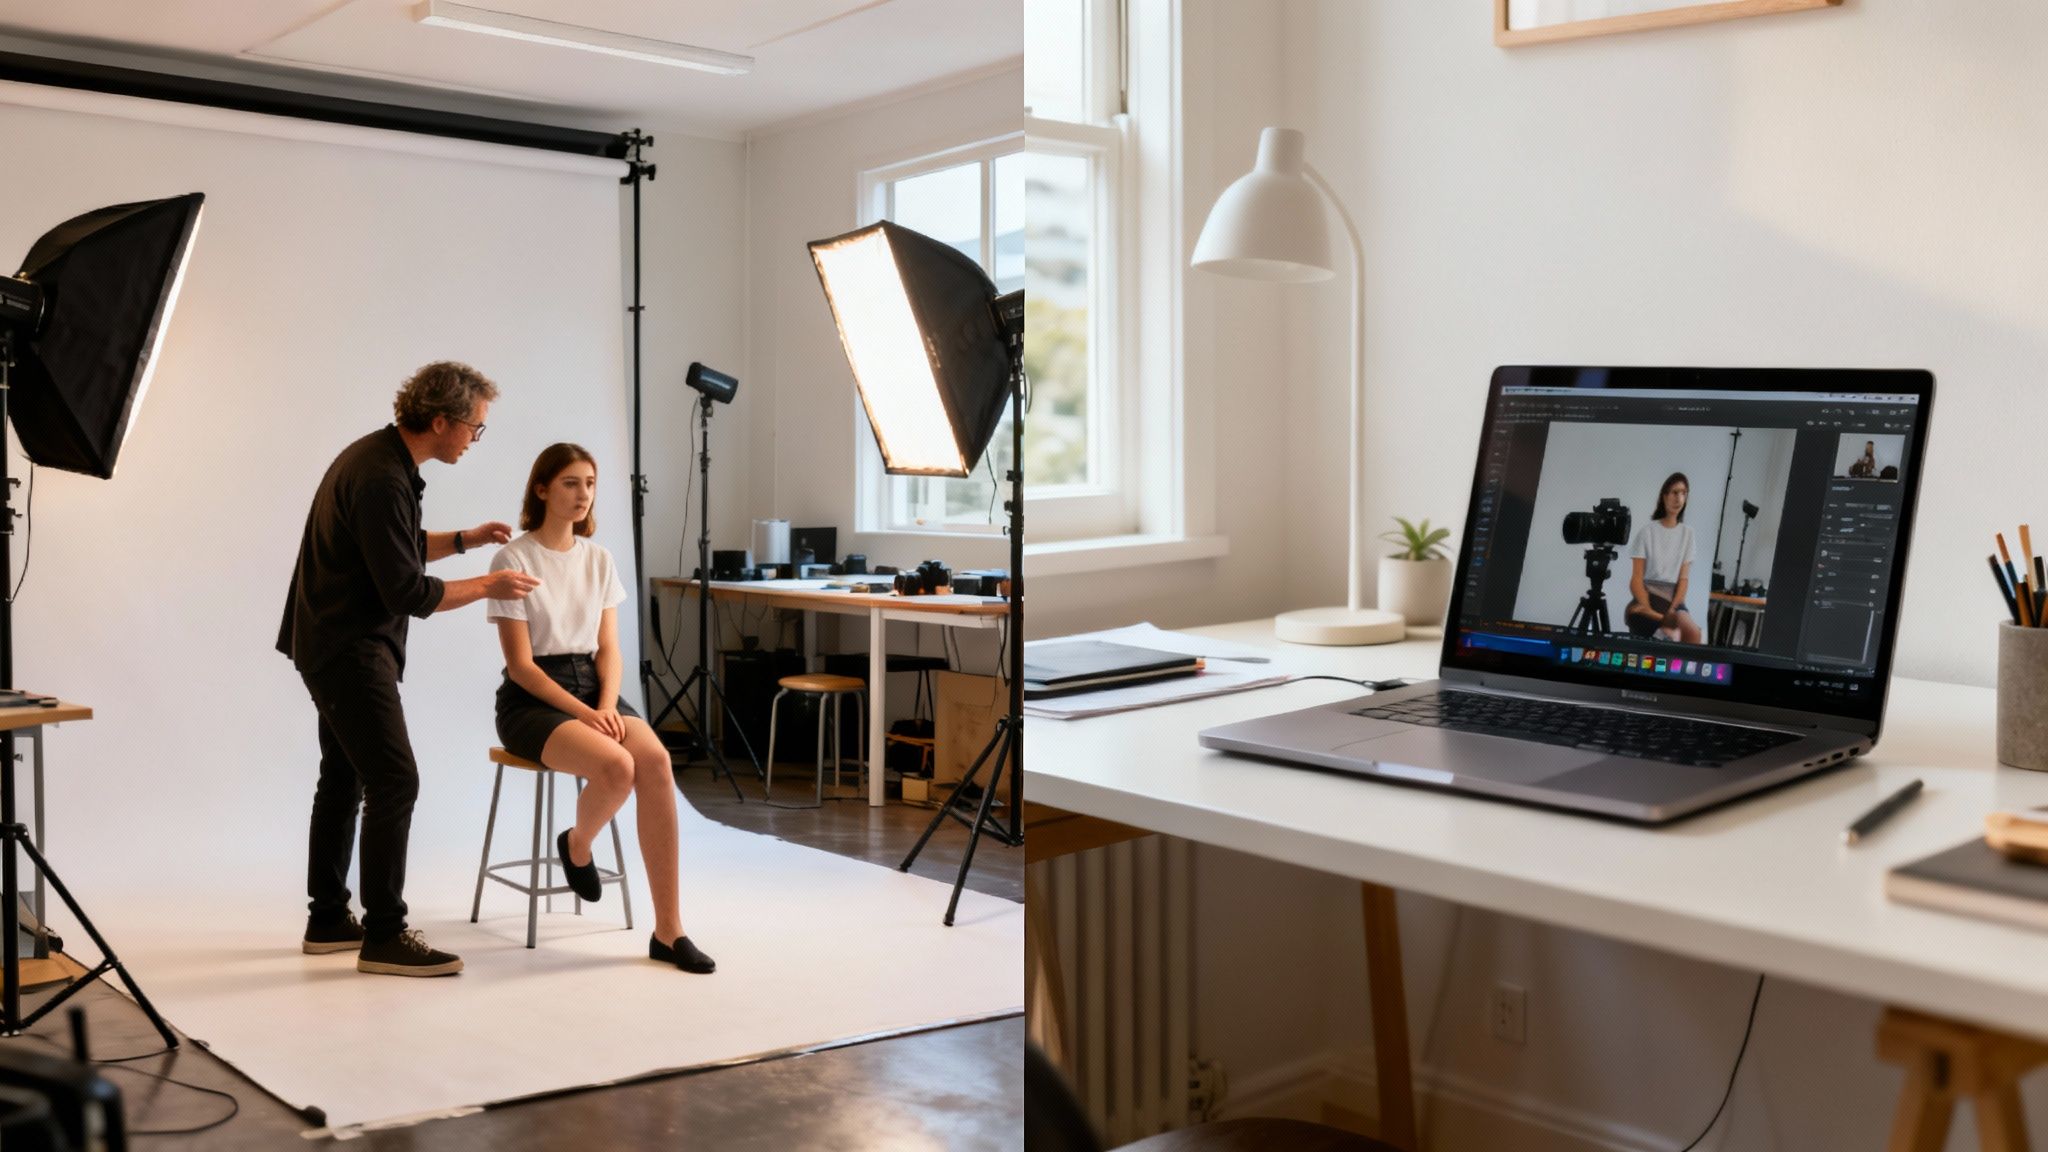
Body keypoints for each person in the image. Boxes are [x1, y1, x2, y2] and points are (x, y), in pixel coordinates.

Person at [278, 361, 540, 977]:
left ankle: (326, 919)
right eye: (474, 428)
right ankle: (385, 934)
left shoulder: (380, 460)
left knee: (344, 778)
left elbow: (391, 543)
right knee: (395, 781)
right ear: (442, 420)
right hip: (349, 649)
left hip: (331, 641)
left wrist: (466, 539)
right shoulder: (380, 477)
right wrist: (489, 583)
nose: (475, 439)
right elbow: (407, 593)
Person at [488, 443, 715, 974]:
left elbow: (610, 649)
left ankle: (668, 930)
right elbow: (522, 667)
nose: (583, 494)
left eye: (589, 483)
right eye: (570, 483)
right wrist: (586, 714)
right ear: (541, 489)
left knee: (655, 762)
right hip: (533, 700)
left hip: (596, 687)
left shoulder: (599, 559)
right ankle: (580, 844)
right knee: (617, 766)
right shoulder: (513, 559)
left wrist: (606, 704)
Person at [1625, 472, 1702, 644]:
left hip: (1674, 598)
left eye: (1683, 493)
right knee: (1669, 634)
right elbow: (1636, 578)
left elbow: (1683, 579)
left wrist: (1673, 609)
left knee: (1694, 633)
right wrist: (1645, 604)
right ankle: (1647, 612)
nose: (1679, 498)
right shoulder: (1647, 532)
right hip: (1650, 594)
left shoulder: (1688, 534)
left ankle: (1649, 614)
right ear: (1664, 496)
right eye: (1674, 492)